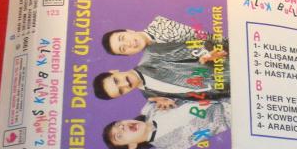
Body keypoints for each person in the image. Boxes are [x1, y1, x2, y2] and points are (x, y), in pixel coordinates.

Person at [93, 41, 231, 102]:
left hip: (230, 64)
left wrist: (206, 55)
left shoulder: (152, 54)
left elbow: (196, 45)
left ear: (114, 71)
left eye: (116, 80)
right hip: (231, 92)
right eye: (121, 91)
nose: (124, 84)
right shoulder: (150, 96)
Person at [102, 100, 231, 149]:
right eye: (119, 136)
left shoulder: (152, 105)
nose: (122, 127)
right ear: (132, 146)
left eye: (118, 124)